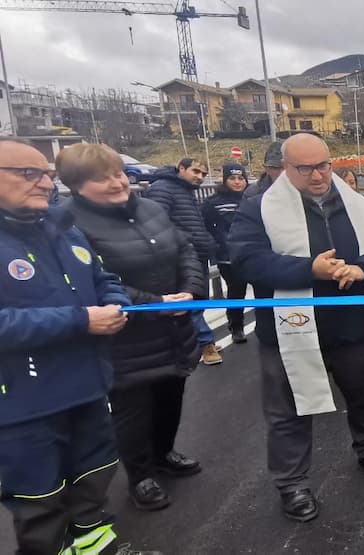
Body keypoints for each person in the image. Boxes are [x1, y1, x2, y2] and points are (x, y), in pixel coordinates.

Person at [227, 133, 364, 522]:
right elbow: (246, 261)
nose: (317, 175)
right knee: (288, 413)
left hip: (356, 327)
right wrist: (308, 269)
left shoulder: (360, 205)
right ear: (283, 169)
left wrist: (363, 268)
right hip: (288, 331)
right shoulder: (257, 209)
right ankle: (292, 484)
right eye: (304, 168)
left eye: (323, 165)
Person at [0, 139, 132, 554]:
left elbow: (102, 278)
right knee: (40, 506)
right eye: (28, 174)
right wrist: (81, 320)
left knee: (93, 485)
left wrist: (117, 302)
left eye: (48, 175)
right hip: (22, 407)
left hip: (87, 388)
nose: (43, 183)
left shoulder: (63, 228)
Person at [60, 144, 207, 513]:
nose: (116, 183)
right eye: (102, 178)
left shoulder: (151, 208)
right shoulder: (67, 223)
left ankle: (164, 452)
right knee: (132, 412)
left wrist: (189, 290)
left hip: (173, 328)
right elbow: (90, 281)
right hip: (125, 339)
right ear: (77, 185)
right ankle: (140, 475)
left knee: (170, 398)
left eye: (118, 173)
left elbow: (184, 248)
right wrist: (156, 303)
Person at [144, 157, 222, 366]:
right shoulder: (163, 189)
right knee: (190, 301)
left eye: (203, 174)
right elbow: (155, 222)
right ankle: (206, 344)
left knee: (198, 299)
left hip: (197, 254)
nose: (200, 177)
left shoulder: (185, 191)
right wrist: (182, 243)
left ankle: (197, 341)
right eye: (195, 171)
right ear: (181, 168)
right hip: (180, 257)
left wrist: (208, 243)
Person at [202, 162, 250, 343]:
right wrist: (216, 245)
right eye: (232, 178)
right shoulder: (213, 202)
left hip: (252, 253)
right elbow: (204, 226)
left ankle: (264, 324)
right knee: (236, 292)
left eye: (241, 178)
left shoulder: (253, 198)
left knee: (263, 291)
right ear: (225, 180)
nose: (237, 182)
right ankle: (236, 327)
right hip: (228, 256)